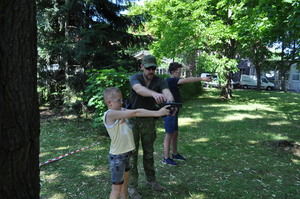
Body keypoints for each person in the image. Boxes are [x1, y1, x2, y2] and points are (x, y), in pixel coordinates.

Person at [103, 87, 170, 199]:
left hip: (126, 154)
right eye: (119, 100)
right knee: (116, 189)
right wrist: (157, 113)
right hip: (117, 157)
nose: (122, 102)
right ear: (109, 102)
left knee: (124, 184)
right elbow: (136, 112)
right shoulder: (110, 114)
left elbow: (139, 112)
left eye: (122, 99)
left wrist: (157, 112)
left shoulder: (122, 111)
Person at [128, 55, 176, 199]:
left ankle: (151, 180)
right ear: (141, 67)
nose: (151, 71)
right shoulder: (134, 78)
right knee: (132, 155)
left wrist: (171, 104)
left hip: (149, 119)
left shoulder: (159, 80)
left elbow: (168, 93)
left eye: (153, 68)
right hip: (133, 119)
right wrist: (154, 94)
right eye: (148, 68)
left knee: (149, 152)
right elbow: (139, 90)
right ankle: (132, 187)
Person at [162, 62, 211, 166]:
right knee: (169, 134)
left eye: (181, 72)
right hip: (169, 112)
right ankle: (166, 158)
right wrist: (202, 79)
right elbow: (187, 80)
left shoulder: (173, 80)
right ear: (172, 72)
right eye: (178, 72)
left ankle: (174, 154)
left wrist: (185, 67)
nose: (180, 74)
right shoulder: (170, 80)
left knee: (175, 133)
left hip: (174, 111)